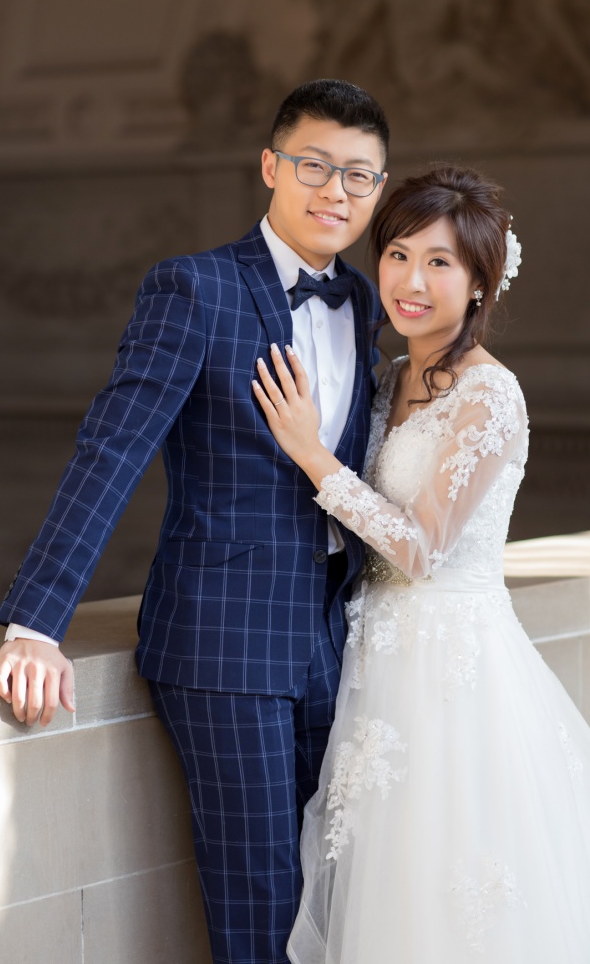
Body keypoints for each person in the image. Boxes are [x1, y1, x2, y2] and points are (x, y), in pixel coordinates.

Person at [0, 78, 389, 964]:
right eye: (314, 166)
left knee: (336, 902)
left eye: (357, 176)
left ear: (377, 189)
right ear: (270, 168)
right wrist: (36, 623)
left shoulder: (363, 300)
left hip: (330, 637)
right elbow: (112, 450)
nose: (335, 191)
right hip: (223, 641)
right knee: (258, 908)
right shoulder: (194, 288)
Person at [253, 164, 590, 962]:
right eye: (398, 254)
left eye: (438, 262)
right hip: (370, 657)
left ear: (478, 284)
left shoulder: (488, 395)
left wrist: (310, 453)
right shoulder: (388, 378)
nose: (410, 281)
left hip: (449, 673)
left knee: (447, 889)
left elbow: (420, 548)